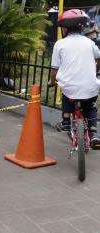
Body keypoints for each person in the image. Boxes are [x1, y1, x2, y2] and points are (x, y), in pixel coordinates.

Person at [49, 9, 100, 149]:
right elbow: (98, 57)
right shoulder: (89, 42)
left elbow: (54, 70)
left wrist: (52, 82)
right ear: (81, 27)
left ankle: (66, 121)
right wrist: (95, 70)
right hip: (89, 86)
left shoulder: (59, 44)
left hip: (70, 87)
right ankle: (94, 133)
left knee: (66, 92)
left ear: (64, 29)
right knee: (90, 107)